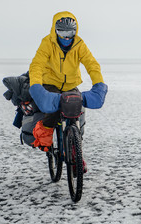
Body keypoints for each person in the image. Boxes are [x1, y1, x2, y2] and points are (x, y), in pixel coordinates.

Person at [28, 11, 108, 157]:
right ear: (55, 30)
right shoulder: (47, 42)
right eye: (62, 32)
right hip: (50, 83)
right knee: (53, 111)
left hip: (70, 84)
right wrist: (36, 85)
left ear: (75, 31)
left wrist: (99, 83)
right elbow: (37, 65)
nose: (66, 37)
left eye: (70, 32)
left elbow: (92, 65)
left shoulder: (79, 44)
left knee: (76, 111)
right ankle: (45, 132)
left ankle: (75, 147)